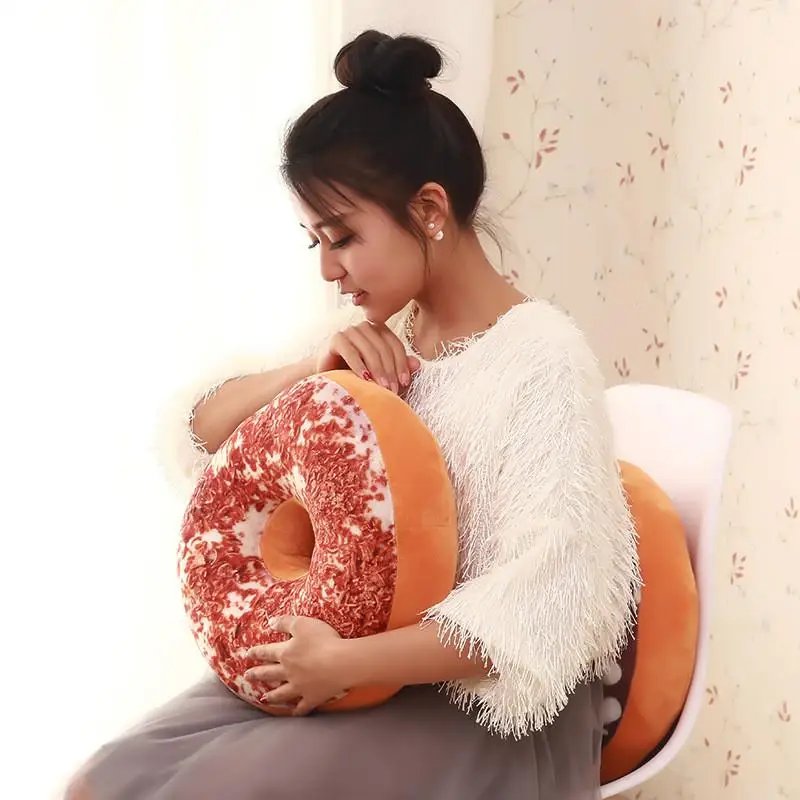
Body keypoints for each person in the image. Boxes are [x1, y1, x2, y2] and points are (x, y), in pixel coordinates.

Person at [67, 30, 640, 800]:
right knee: (102, 782)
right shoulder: (375, 336)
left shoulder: (542, 359)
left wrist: (345, 663)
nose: (328, 268)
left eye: (342, 237)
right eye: (315, 240)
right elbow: (198, 438)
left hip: (472, 700)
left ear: (429, 209)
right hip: (346, 666)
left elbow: (546, 609)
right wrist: (307, 371)